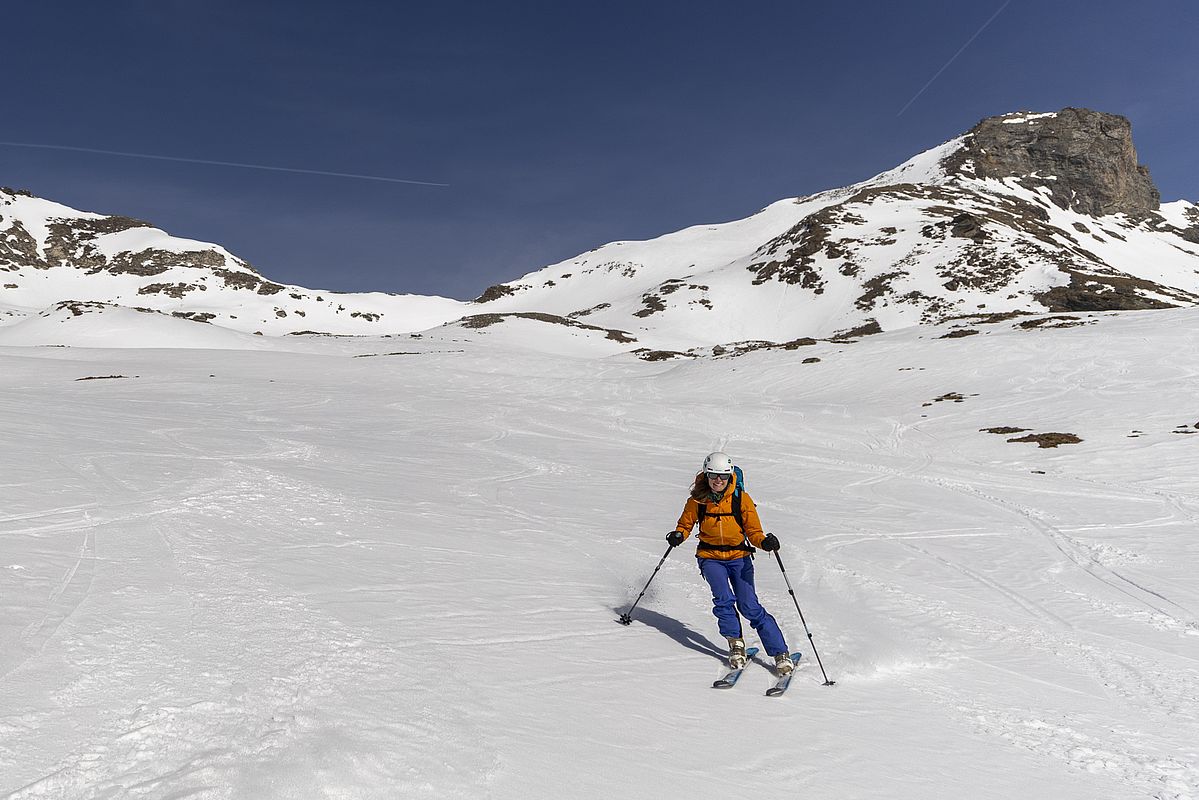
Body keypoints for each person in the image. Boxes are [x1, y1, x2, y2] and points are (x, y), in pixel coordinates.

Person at [667, 451, 793, 674]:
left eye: (723, 477)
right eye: (714, 475)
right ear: (706, 475)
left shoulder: (740, 498)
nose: (718, 481)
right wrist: (678, 534)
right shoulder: (697, 500)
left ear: (730, 476)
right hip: (710, 557)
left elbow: (753, 531)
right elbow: (685, 525)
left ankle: (780, 653)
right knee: (723, 600)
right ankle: (736, 643)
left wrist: (765, 543)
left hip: (739, 558)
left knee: (749, 606)